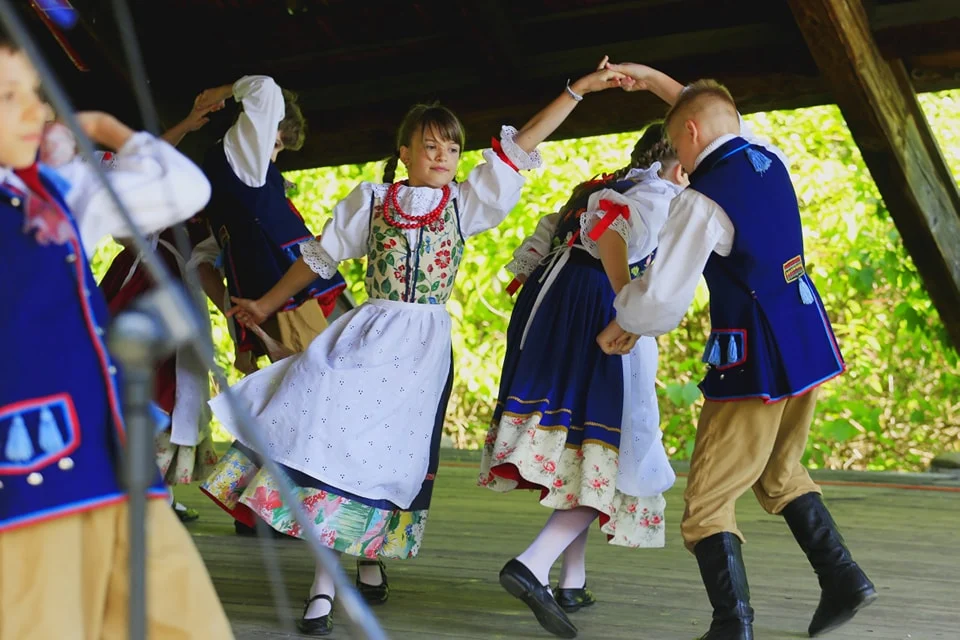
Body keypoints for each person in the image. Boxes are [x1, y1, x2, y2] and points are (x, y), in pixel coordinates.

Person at [207, 63, 628, 635]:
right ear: (403, 150)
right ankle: (323, 588)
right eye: (430, 145)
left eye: (452, 148)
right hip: (364, 336)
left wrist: (578, 90)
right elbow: (316, 259)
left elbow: (523, 143)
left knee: (386, 459)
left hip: (422, 350)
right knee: (331, 442)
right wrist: (262, 305)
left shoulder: (464, 203)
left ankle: (369, 554)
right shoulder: (372, 201)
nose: (443, 155)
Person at [597, 63, 876, 640]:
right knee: (779, 471)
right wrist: (650, 80)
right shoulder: (766, 156)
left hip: (755, 361)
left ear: (691, 135)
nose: (677, 162)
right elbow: (706, 112)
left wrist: (624, 307)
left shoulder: (701, 200)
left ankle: (733, 625)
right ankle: (843, 579)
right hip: (806, 342)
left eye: (676, 145)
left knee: (705, 503)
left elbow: (662, 302)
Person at [0, 31, 233, 639]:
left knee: (180, 622)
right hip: (23, 483)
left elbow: (186, 190)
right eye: (7, 96)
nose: (33, 110)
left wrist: (107, 128)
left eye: (34, 94)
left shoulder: (61, 192)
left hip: (108, 462)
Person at [479, 121, 684, 638]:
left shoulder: (598, 185)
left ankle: (573, 578)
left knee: (581, 445)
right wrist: (630, 307)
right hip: (597, 306)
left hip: (550, 304)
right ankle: (533, 563)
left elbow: (541, 242)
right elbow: (629, 250)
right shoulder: (662, 195)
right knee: (615, 447)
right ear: (680, 165)